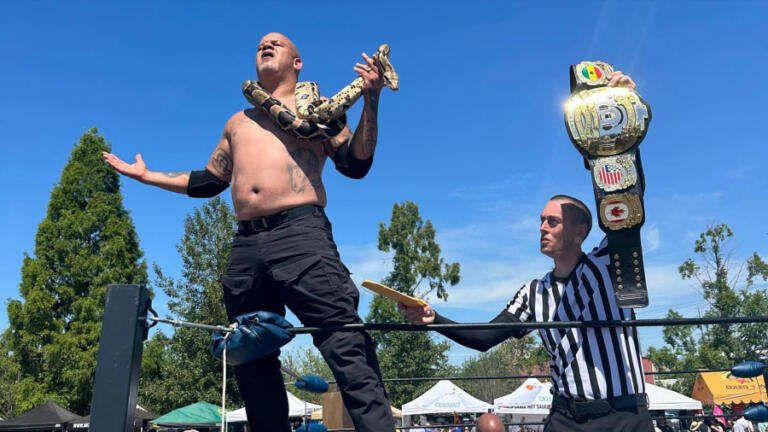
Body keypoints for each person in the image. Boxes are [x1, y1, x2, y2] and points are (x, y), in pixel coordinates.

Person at [103, 32, 394, 432]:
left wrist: (372, 97)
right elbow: (209, 180)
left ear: (298, 62)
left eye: (277, 42)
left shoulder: (322, 112)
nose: (266, 45)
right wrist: (147, 175)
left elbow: (355, 164)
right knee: (249, 355)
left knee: (345, 344)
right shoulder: (238, 122)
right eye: (260, 44)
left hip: (301, 235)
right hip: (246, 245)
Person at [401, 147, 654, 429]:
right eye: (541, 221)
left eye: (553, 221)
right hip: (566, 417)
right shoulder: (534, 294)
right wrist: (434, 319)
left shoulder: (607, 263)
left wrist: (616, 146)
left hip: (623, 416)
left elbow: (631, 203)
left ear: (579, 232)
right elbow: (484, 338)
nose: (542, 228)